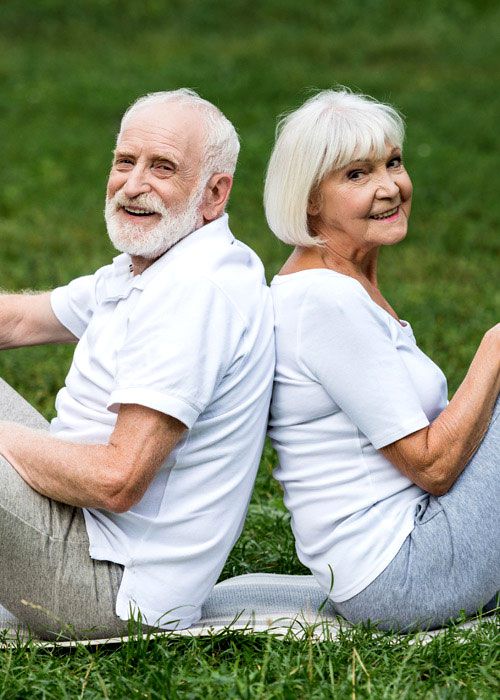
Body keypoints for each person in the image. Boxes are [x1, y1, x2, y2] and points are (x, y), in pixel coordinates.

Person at [0, 89, 274, 640]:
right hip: (83, 525)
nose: (132, 184)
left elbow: (117, 481)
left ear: (213, 194)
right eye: (125, 161)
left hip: (114, 590)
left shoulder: (194, 294)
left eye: (163, 168)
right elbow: (19, 321)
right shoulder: (156, 262)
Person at [264, 89, 499, 631]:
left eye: (393, 162)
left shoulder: (342, 288)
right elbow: (432, 467)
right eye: (357, 175)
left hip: (410, 551)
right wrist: (494, 346)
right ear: (309, 201)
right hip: (402, 575)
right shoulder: (325, 302)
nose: (390, 186)